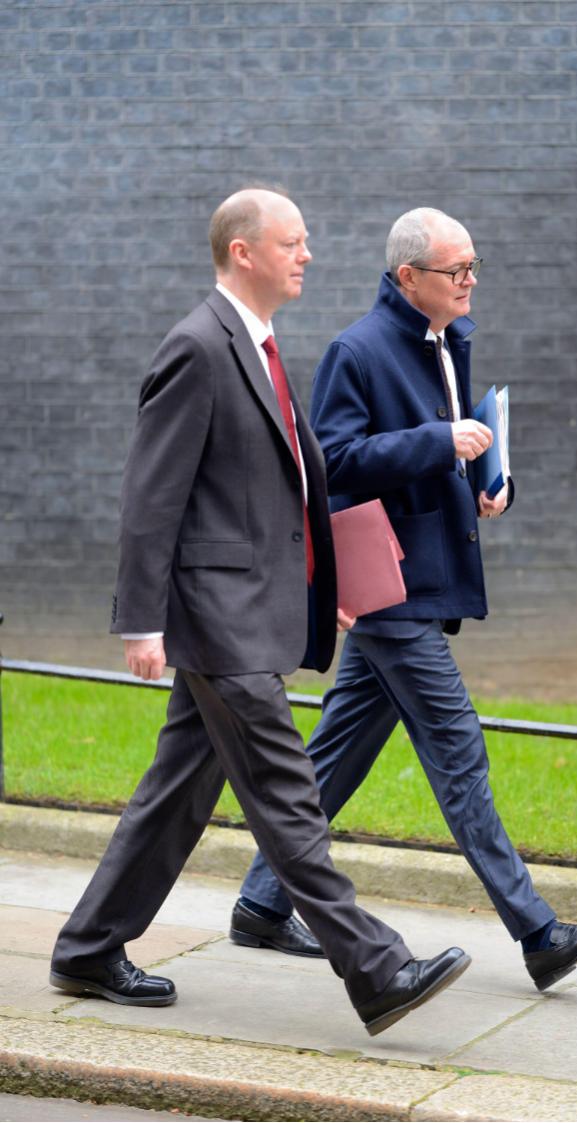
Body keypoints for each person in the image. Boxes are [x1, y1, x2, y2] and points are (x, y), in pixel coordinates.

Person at [49, 188, 471, 1038]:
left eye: (306, 241)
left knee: (177, 791)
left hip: (248, 607)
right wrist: (141, 622)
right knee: (286, 792)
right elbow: (150, 497)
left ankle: (88, 947)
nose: (306, 254)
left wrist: (332, 583)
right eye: (291, 242)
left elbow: (288, 493)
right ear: (243, 251)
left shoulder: (262, 344)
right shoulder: (198, 347)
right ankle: (378, 966)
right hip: (218, 617)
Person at [232, 207, 577, 994]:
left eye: (473, 266)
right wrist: (442, 441)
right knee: (459, 751)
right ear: (408, 276)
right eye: (457, 270)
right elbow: (334, 462)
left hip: (420, 580)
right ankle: (538, 931)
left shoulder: (448, 340)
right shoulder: (357, 349)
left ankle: (261, 902)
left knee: (332, 759)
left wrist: (491, 482)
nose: (470, 280)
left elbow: (453, 441)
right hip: (390, 590)